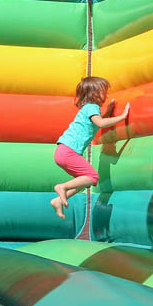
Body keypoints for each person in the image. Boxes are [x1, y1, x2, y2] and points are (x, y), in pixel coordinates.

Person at [51, 76, 129, 219]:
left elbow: (98, 121)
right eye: (104, 92)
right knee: (92, 177)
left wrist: (109, 111)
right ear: (95, 93)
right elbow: (100, 123)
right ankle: (62, 187)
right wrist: (122, 117)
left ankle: (58, 201)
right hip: (68, 151)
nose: (106, 95)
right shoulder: (92, 107)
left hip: (62, 151)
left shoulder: (87, 108)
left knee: (83, 181)